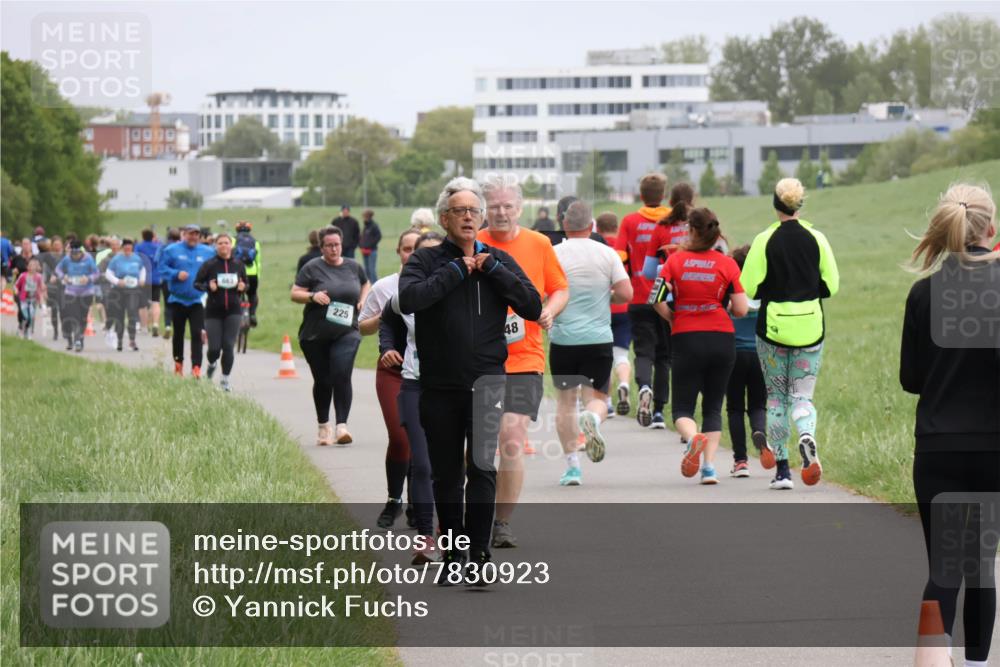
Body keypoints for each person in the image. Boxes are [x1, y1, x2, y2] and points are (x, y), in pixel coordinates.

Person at [398, 177, 541, 579]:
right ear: (444, 218)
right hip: (440, 385)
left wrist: (492, 269)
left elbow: (531, 305)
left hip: (486, 382)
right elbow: (409, 300)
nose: (467, 217)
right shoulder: (426, 261)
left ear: (481, 218)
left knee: (481, 468)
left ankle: (478, 556)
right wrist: (456, 272)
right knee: (447, 474)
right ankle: (453, 556)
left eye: (473, 211)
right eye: (459, 211)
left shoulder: (496, 260)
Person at [900, 183, 999, 667]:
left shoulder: (923, 293)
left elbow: (911, 379)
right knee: (981, 566)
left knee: (944, 567)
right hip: (993, 450)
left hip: (938, 449)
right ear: (992, 230)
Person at [478, 175, 568, 549]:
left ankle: (501, 523)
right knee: (478, 446)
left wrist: (549, 310)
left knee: (511, 439)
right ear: (485, 209)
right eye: (494, 206)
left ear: (520, 208)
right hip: (478, 359)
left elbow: (560, 287)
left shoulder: (539, 243)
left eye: (507, 206)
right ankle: (470, 517)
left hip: (524, 358)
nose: (501, 212)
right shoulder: (472, 242)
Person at [740, 178, 840, 490]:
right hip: (810, 326)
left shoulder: (764, 240)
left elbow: (748, 287)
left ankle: (782, 471)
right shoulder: (817, 237)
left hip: (773, 329)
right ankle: (807, 435)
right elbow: (832, 285)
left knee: (776, 399)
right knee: (802, 397)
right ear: (799, 205)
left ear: (775, 205)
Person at [651, 208, 748, 484]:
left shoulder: (675, 261)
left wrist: (671, 316)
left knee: (682, 408)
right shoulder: (727, 264)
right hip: (722, 338)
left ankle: (693, 438)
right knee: (713, 407)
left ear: (690, 230)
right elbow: (740, 309)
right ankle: (708, 468)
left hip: (686, 337)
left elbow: (654, 296)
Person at [551, 201, 632, 486]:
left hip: (562, 338)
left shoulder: (553, 253)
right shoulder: (607, 253)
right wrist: (607, 299)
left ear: (564, 224)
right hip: (598, 338)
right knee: (596, 399)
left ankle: (572, 467)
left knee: (565, 403)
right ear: (591, 226)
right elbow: (626, 292)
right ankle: (593, 422)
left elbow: (540, 292)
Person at [379, 230, 447, 564]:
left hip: (456, 387)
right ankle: (425, 537)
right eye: (424, 255)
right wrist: (388, 347)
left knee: (454, 467)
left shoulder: (466, 286)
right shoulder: (405, 292)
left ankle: (455, 535)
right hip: (415, 383)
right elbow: (387, 321)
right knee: (421, 463)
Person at [359, 227, 422, 529]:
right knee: (400, 438)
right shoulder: (385, 287)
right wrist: (387, 313)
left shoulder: (435, 286)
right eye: (406, 249)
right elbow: (363, 327)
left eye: (417, 249)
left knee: (422, 440)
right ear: (398, 252)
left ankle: (417, 502)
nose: (411, 254)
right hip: (393, 370)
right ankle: (393, 499)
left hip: (428, 372)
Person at [291, 226, 370, 445]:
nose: (333, 249)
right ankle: (323, 426)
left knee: (341, 373)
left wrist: (364, 299)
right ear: (321, 247)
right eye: (328, 245)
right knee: (323, 380)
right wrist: (312, 296)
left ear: (341, 244)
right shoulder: (312, 267)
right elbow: (294, 293)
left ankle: (342, 426)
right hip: (315, 334)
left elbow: (366, 283)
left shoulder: (353, 267)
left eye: (336, 244)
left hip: (347, 330)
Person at [615, 173, 672, 429]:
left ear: (641, 195)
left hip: (638, 297)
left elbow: (619, 256)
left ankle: (644, 387)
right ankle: (659, 411)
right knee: (664, 355)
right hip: (667, 296)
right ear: (663, 195)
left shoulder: (629, 221)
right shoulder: (672, 220)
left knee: (643, 351)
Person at [725, 245, 774, 477]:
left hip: (733, 355)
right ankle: (759, 431)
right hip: (759, 354)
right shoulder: (764, 291)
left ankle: (741, 461)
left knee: (735, 408)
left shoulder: (731, 289)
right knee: (758, 404)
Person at [159, 223, 216, 377]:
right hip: (178, 300)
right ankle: (178, 364)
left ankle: (196, 367)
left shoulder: (207, 251)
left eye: (196, 234)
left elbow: (217, 266)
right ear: (184, 234)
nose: (194, 237)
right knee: (179, 334)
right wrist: (176, 274)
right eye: (191, 234)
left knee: (197, 334)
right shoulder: (171, 250)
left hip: (197, 300)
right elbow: (161, 269)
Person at [195, 233, 248, 392]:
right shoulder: (209, 265)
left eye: (226, 243)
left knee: (228, 346)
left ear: (231, 245)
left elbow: (247, 284)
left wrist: (243, 287)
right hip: (213, 310)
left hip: (233, 310)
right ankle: (211, 365)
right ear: (216, 246)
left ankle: (225, 379)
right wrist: (207, 288)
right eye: (220, 243)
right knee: (214, 349)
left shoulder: (239, 264)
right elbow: (196, 283)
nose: (223, 246)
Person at [597, 211, 634, 416]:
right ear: (616, 227)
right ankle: (625, 382)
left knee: (603, 357)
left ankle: (608, 402)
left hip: (602, 307)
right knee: (621, 354)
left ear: (598, 229)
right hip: (624, 306)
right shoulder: (624, 248)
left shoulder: (598, 248)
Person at [642, 182, 694, 280]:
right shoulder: (703, 222)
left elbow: (649, 272)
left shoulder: (662, 226)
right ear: (692, 200)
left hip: (672, 290)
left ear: (670, 202)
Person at [55, 240, 99, 352]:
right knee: (74, 316)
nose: (75, 256)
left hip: (86, 292)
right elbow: (58, 269)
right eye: (73, 254)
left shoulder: (88, 259)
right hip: (71, 291)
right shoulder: (67, 259)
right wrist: (63, 277)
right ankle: (77, 340)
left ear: (81, 252)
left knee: (83, 318)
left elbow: (96, 273)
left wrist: (88, 278)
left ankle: (80, 337)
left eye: (77, 254)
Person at [105, 238, 146, 351]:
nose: (128, 248)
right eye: (126, 246)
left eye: (130, 246)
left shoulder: (137, 258)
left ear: (132, 247)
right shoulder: (116, 259)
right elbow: (108, 274)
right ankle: (119, 340)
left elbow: (142, 269)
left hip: (133, 290)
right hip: (119, 291)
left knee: (132, 313)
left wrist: (142, 279)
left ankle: (132, 340)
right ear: (123, 247)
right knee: (119, 316)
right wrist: (118, 281)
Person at [135, 229, 163, 337]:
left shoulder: (139, 247)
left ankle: (144, 327)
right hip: (156, 278)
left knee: (143, 304)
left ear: (142, 236)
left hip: (143, 279)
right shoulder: (158, 247)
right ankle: (155, 324)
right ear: (152, 236)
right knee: (155, 302)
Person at [155, 228, 181, 339]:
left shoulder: (163, 247)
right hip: (179, 278)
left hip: (166, 279)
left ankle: (167, 326)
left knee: (167, 304)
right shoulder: (181, 247)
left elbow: (156, 260)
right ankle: (178, 327)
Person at [234, 221, 261, 326]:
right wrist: (257, 276)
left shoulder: (233, 240)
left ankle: (234, 315)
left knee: (234, 294)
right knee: (253, 294)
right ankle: (252, 314)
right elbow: (258, 262)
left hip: (237, 272)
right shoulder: (255, 242)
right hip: (252, 272)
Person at [14, 257, 46, 339]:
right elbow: (16, 285)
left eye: (34, 266)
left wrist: (43, 292)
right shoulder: (23, 276)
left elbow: (42, 287)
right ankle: (22, 329)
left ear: (37, 267)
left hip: (33, 300)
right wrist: (16, 291)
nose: (32, 267)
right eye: (30, 265)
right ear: (27, 267)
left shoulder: (39, 277)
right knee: (26, 316)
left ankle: (28, 332)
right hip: (23, 300)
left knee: (31, 317)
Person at [40, 236, 64, 340]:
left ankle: (65, 329)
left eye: (59, 245)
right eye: (55, 245)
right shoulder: (48, 257)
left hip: (64, 286)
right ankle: (55, 331)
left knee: (64, 309)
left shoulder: (65, 257)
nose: (57, 247)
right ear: (52, 246)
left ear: (62, 245)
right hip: (52, 286)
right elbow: (45, 271)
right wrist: (44, 284)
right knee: (54, 309)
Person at [359, 209, 382, 282]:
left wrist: (370, 245)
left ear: (369, 216)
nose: (363, 217)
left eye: (364, 216)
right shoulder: (366, 226)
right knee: (366, 269)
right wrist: (361, 245)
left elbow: (378, 236)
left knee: (372, 269)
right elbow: (363, 237)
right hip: (364, 250)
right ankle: (368, 285)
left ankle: (375, 285)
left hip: (372, 251)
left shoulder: (374, 226)